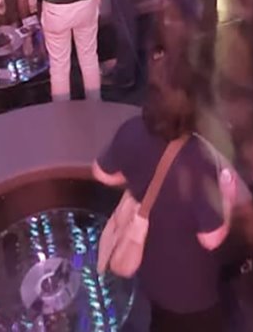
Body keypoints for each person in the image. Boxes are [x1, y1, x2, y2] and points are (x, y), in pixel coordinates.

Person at [93, 64, 237, 330]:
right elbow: (212, 238)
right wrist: (227, 198)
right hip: (191, 290)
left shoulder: (130, 131)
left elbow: (101, 173)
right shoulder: (200, 160)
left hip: (149, 268)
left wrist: (137, 177)